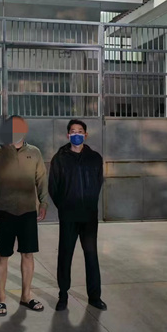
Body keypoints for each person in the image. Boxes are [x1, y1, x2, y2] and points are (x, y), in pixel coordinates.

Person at [0, 116, 48, 316]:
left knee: (28, 254)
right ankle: (1, 299)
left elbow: (41, 179)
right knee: (2, 255)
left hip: (28, 212)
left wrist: (43, 202)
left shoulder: (34, 152)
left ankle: (26, 296)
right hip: (5, 212)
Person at [48, 119, 107, 311]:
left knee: (91, 255)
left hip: (89, 216)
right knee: (65, 255)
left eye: (80, 131)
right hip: (69, 216)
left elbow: (98, 183)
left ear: (86, 135)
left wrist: (89, 203)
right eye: (73, 131)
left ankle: (95, 297)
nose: (76, 134)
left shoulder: (94, 158)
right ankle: (63, 295)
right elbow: (53, 187)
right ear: (68, 135)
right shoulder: (60, 159)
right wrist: (65, 206)